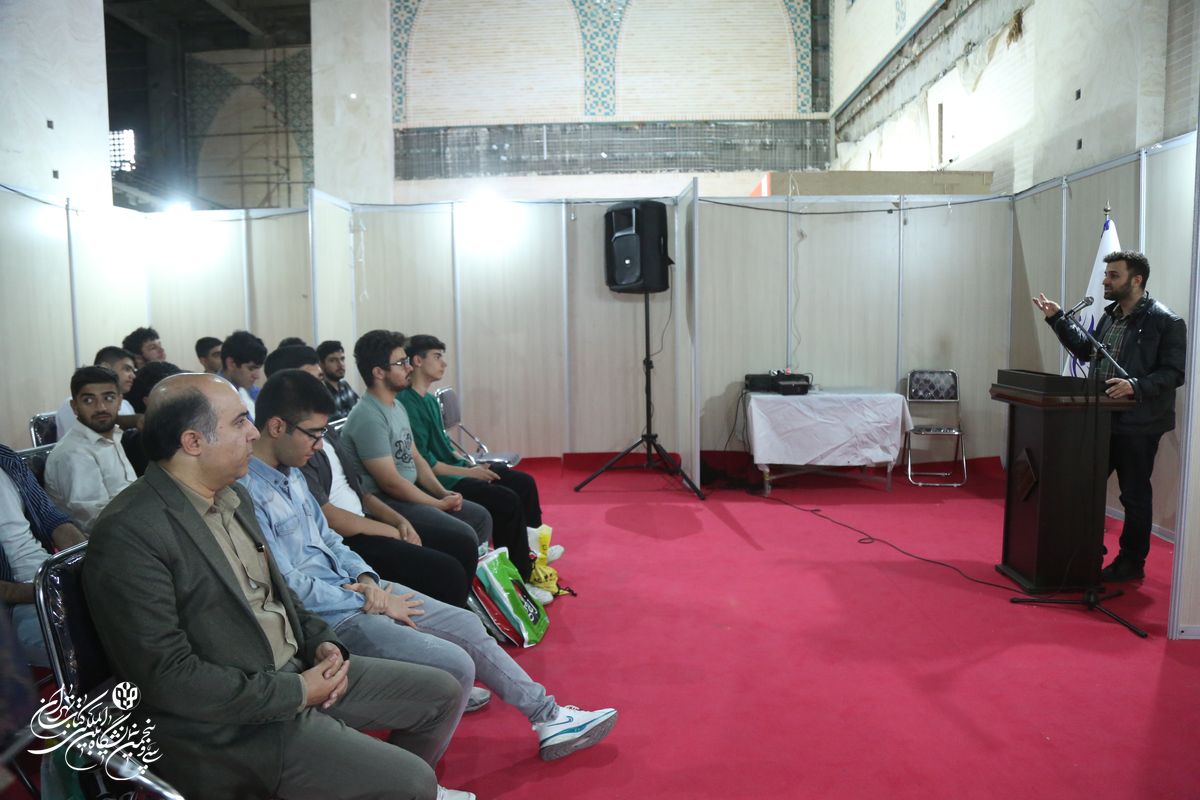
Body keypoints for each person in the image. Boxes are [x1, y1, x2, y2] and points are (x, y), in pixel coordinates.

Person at [81, 373, 472, 800]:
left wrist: (323, 643)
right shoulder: (130, 532)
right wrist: (297, 691)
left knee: (442, 693)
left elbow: (282, 597)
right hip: (233, 723)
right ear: (193, 442)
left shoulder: (233, 497)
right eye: (239, 422)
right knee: (415, 782)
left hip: (296, 671)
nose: (254, 433)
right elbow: (167, 677)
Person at [242, 369, 618, 761]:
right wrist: (367, 599)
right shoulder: (247, 493)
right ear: (276, 427)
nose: (320, 445)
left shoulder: (292, 475)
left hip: (357, 591)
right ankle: (412, 780)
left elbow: (330, 540)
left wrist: (367, 579)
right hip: (331, 617)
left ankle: (548, 717)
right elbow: (287, 583)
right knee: (457, 665)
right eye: (313, 434)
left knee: (467, 624)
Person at [263, 348, 475, 609]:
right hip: (351, 535)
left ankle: (468, 612)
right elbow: (331, 519)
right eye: (312, 380)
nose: (321, 387)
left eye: (319, 379)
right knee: (447, 570)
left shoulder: (325, 432)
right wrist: (394, 530)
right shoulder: (294, 453)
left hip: (366, 518)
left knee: (462, 543)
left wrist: (400, 522)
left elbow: (361, 491)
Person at [1033, 250, 1187, 581]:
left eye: (1113, 275)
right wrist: (1057, 319)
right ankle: (1087, 548)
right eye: (1106, 275)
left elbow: (1174, 373)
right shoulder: (1110, 316)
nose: (1105, 281)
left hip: (1139, 422)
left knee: (1134, 494)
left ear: (1137, 280)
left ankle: (1131, 563)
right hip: (1101, 417)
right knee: (1082, 484)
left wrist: (1135, 385)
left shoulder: (1166, 321)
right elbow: (1087, 351)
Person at [340, 331, 500, 595]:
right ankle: (462, 599)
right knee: (463, 536)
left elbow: (416, 457)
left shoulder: (396, 406)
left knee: (479, 517)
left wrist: (442, 492)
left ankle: (474, 590)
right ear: (378, 372)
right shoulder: (368, 416)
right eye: (400, 363)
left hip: (407, 493)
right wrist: (437, 504)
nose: (408, 367)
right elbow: (390, 483)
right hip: (385, 502)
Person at [401, 334, 563, 564]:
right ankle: (520, 568)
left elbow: (446, 447)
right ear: (418, 361)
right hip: (443, 481)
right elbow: (427, 464)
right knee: (506, 500)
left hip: (456, 471)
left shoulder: (428, 400)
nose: (443, 364)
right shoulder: (407, 403)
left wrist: (472, 465)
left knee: (524, 483)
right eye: (437, 357)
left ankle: (535, 550)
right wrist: (470, 472)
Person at [0, 444, 86, 666]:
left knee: (130, 614)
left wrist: (88, 564)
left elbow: (52, 518)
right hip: (13, 607)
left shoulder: (5, 458)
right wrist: (45, 591)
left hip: (49, 576)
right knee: (87, 642)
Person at [44, 366, 137, 531]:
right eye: (88, 400)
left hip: (132, 526)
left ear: (120, 401)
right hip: (107, 540)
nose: (101, 407)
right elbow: (96, 521)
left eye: (109, 398)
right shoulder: (73, 453)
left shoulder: (113, 436)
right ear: (74, 406)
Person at [54, 346, 140, 439]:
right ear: (106, 367)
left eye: (109, 398)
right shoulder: (71, 405)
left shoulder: (126, 405)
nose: (133, 376)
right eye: (127, 369)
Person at [221, 330, 268, 419]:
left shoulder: (254, 391)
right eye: (251, 368)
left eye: (258, 368)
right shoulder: (213, 398)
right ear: (231, 363)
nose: (257, 376)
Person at [317, 339, 360, 421]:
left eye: (342, 359)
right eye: (333, 360)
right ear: (321, 364)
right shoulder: (320, 392)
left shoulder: (345, 386)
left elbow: (361, 411)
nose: (340, 364)